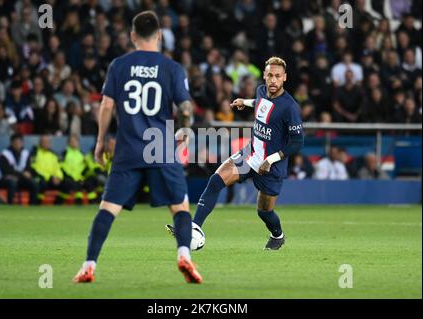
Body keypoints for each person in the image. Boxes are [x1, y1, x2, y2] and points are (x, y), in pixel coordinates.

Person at [73, 11, 202, 284]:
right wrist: (187, 129)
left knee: (107, 209)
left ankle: (88, 265)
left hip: (128, 149)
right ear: (158, 36)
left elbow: (106, 105)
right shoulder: (172, 68)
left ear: (132, 36)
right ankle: (184, 255)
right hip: (161, 148)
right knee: (180, 208)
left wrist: (99, 142)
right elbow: (186, 107)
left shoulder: (119, 66)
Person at [167, 57, 304, 250]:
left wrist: (272, 159)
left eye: (278, 76)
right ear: (264, 75)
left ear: (285, 78)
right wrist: (245, 102)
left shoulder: (290, 107)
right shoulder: (261, 91)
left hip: (271, 166)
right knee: (216, 180)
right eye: (270, 75)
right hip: (250, 154)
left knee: (264, 212)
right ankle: (194, 227)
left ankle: (277, 236)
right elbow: (260, 103)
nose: (273, 80)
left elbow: (298, 142)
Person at [0, 133, 39, 205]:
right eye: (16, 142)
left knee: (33, 183)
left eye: (20, 142)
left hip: (19, 178)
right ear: (12, 143)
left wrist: (27, 173)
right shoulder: (5, 154)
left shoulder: (25, 153)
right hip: (3, 179)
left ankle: (32, 205)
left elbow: (28, 168)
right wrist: (22, 174)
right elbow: (6, 171)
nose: (18, 144)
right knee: (12, 182)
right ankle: (10, 204)